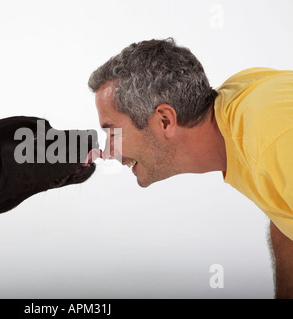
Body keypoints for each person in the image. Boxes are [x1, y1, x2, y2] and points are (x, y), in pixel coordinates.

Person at [88, 38, 293, 298]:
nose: (107, 152)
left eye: (113, 132)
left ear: (164, 120)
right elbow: (285, 219)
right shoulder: (240, 102)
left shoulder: (271, 139)